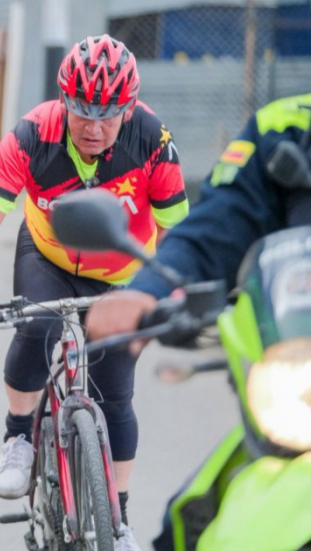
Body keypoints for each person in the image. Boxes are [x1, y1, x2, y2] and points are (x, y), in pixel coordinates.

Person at [0, 34, 189, 550]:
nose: (94, 127)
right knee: (36, 326)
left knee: (116, 388)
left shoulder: (152, 139)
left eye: (109, 115)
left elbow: (179, 234)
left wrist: (170, 294)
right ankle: (18, 434)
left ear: (128, 109)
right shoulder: (31, 135)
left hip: (123, 272)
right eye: (82, 111)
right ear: (63, 101)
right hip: (49, 258)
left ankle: (118, 520)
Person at [83, 92, 311, 551]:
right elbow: (216, 229)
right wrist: (148, 291)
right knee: (191, 524)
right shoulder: (286, 127)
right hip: (300, 392)